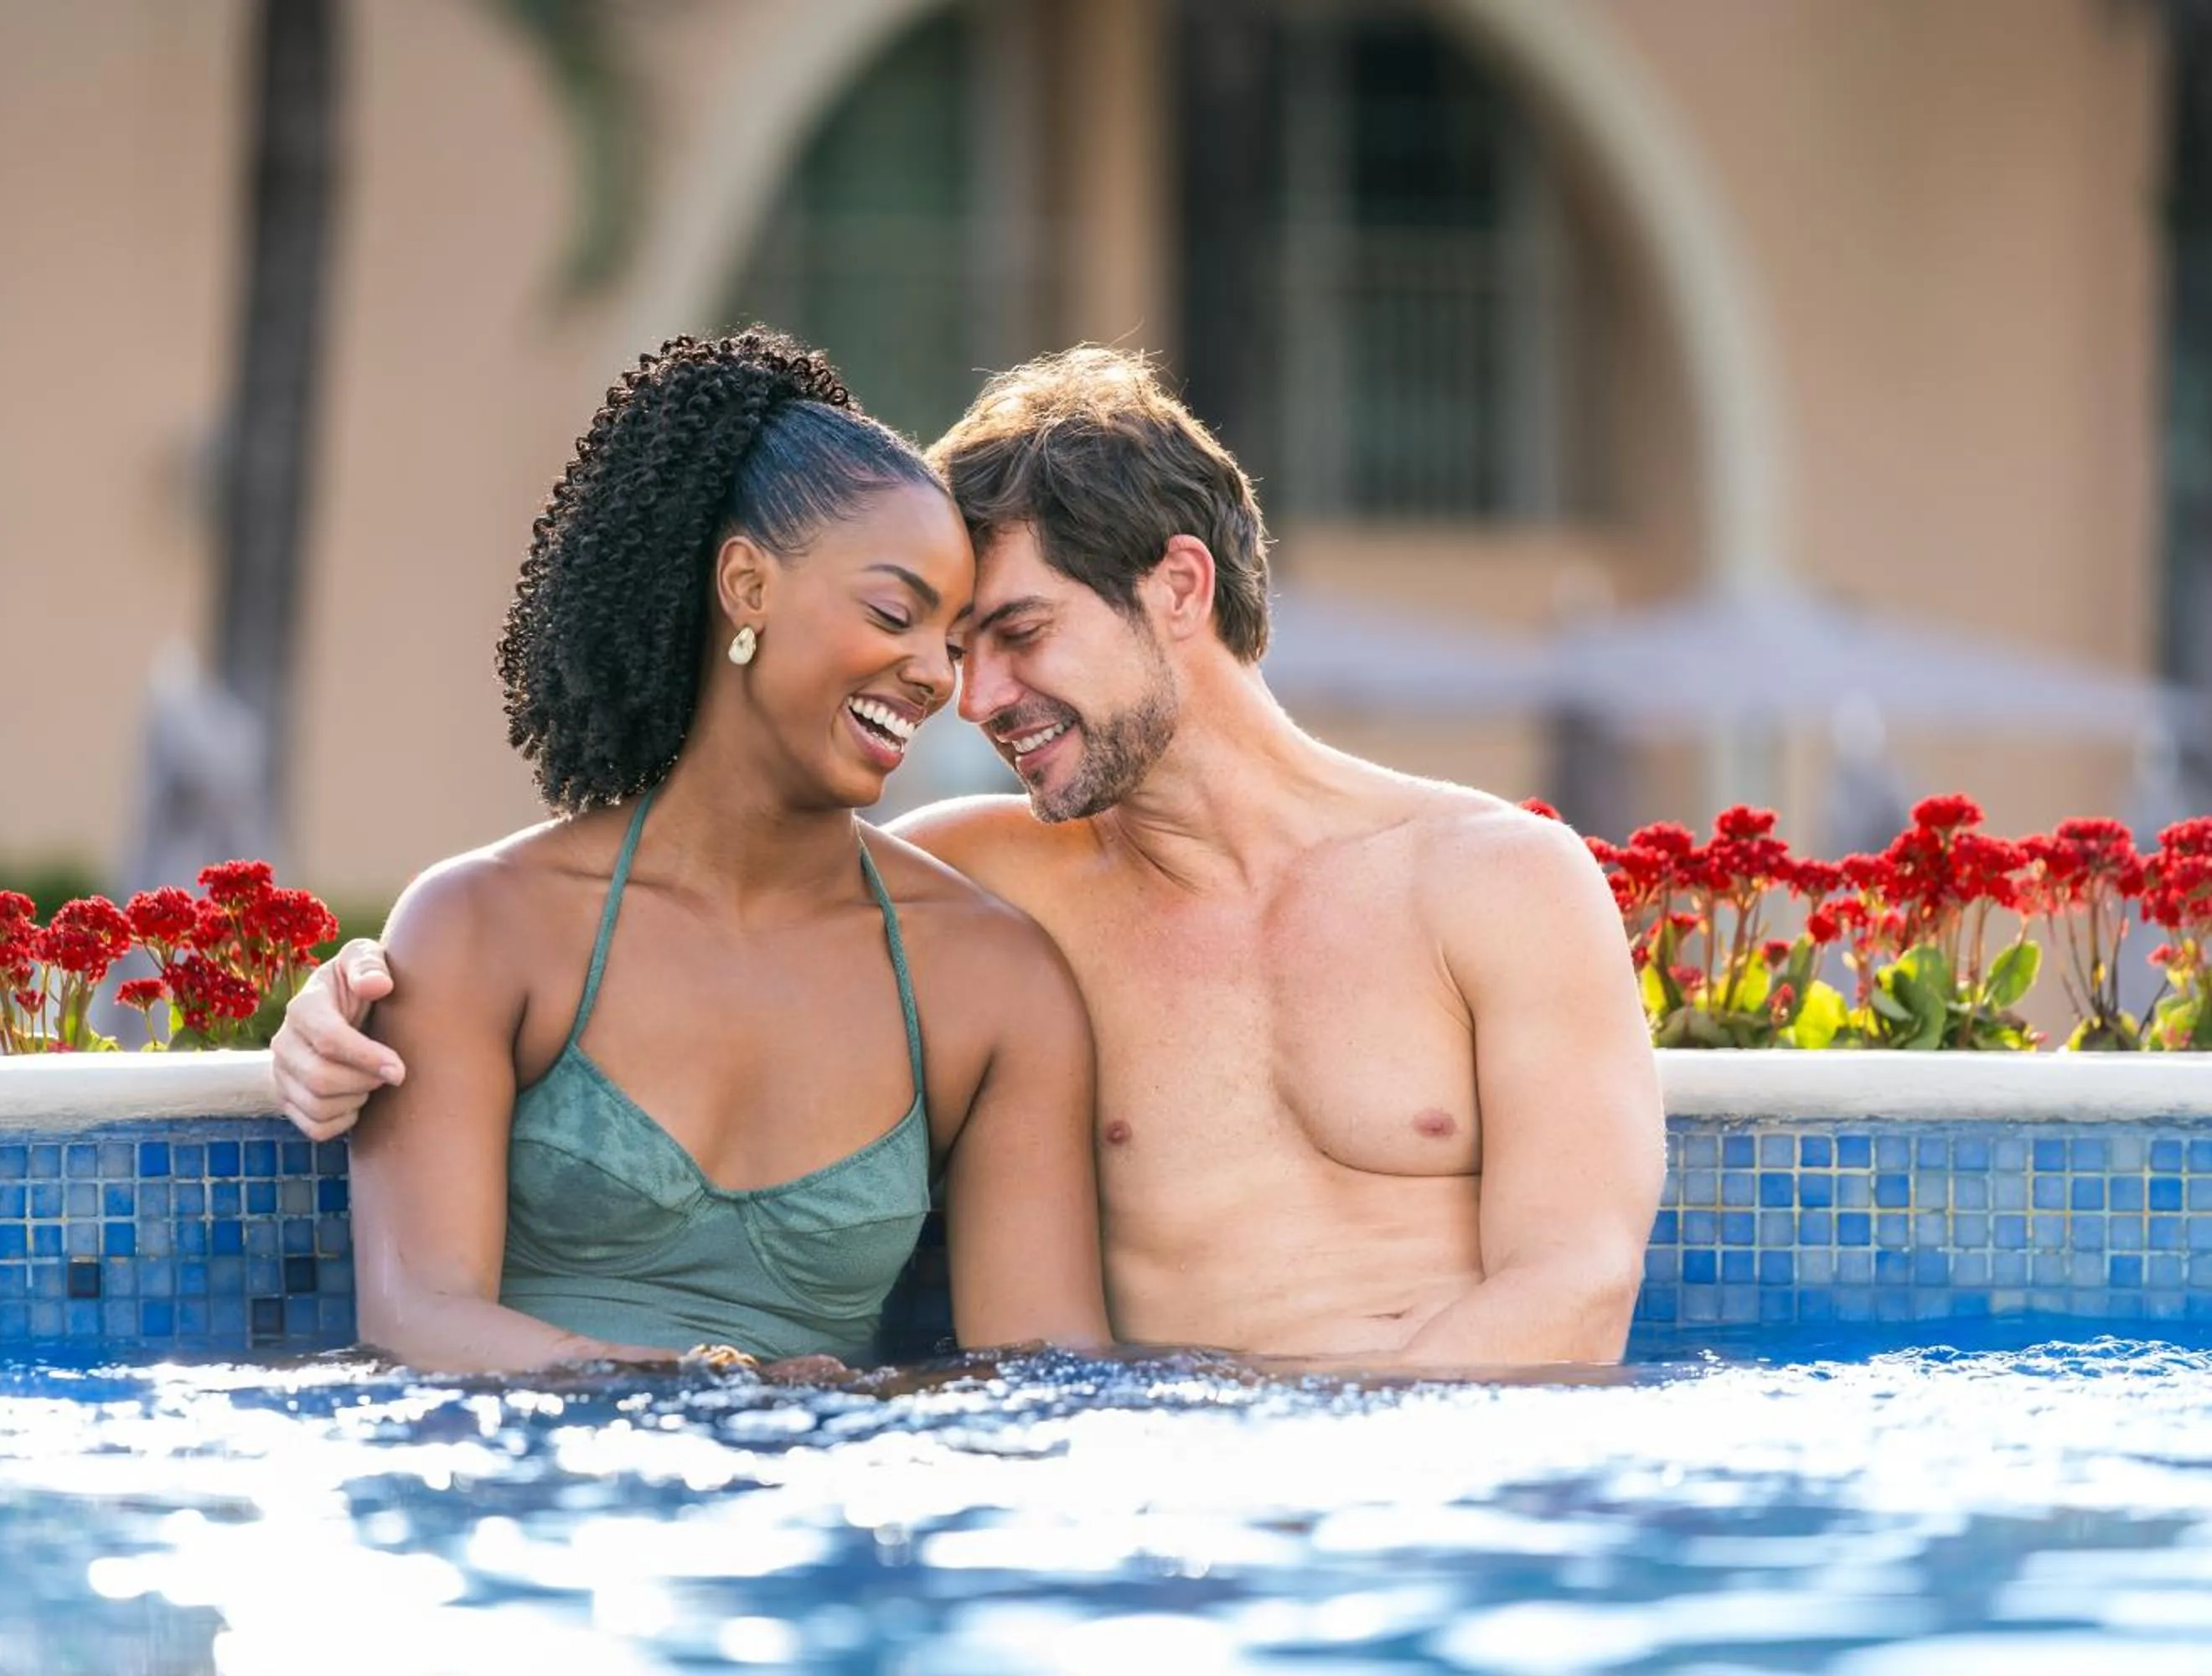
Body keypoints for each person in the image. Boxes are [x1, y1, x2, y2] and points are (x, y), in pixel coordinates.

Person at [279, 347, 1663, 1370]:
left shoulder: (1499, 885)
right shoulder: (985, 893)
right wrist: (334, 1001)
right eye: (949, 640)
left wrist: (1331, 1500)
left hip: (1458, 1513)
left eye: (1014, 633)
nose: (971, 694)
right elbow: (717, 894)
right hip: (1165, 1516)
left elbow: (1577, 1290)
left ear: (1178, 589)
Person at [315, 332, 1107, 1374]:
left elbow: (1047, 1381)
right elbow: (417, 1315)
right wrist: (705, 1386)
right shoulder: (487, 924)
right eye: (893, 613)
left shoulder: (990, 981)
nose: (935, 676)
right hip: (531, 1507)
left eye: (953, 642)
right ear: (746, 585)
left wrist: (844, 1410)